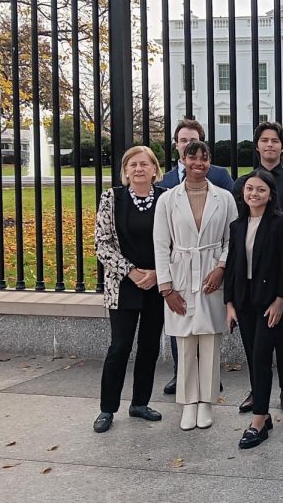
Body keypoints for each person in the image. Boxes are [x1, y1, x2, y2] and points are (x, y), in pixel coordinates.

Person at [153, 141, 238, 431]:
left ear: (209, 161)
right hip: (180, 274)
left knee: (210, 341)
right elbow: (161, 245)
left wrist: (221, 268)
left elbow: (232, 239)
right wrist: (166, 288)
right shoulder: (167, 199)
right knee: (185, 341)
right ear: (183, 160)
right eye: (192, 158)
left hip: (211, 273)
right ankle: (188, 403)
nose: (198, 163)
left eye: (203, 158)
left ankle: (206, 402)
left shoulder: (225, 198)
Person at [228, 122, 283, 413]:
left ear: (282, 146)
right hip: (251, 276)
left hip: (282, 272)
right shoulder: (242, 184)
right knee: (255, 346)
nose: (269, 145)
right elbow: (237, 236)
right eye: (264, 140)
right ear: (257, 146)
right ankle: (257, 390)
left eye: (274, 141)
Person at [92, 145, 167, 433]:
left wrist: (159, 275)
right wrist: (132, 272)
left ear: (154, 169)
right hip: (123, 285)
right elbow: (103, 244)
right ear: (125, 170)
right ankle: (107, 408)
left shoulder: (164, 199)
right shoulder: (112, 198)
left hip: (156, 283)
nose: (138, 169)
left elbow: (174, 241)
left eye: (144, 164)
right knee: (119, 346)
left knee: (149, 347)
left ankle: (140, 402)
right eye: (132, 164)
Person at [225, 170, 283, 449]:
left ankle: (257, 421)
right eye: (249, 189)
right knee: (253, 357)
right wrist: (229, 303)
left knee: (262, 357)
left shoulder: (281, 223)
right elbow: (232, 265)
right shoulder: (238, 225)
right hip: (244, 301)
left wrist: (281, 298)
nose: (254, 194)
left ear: (270, 195)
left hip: (270, 302)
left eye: (260, 190)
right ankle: (263, 413)